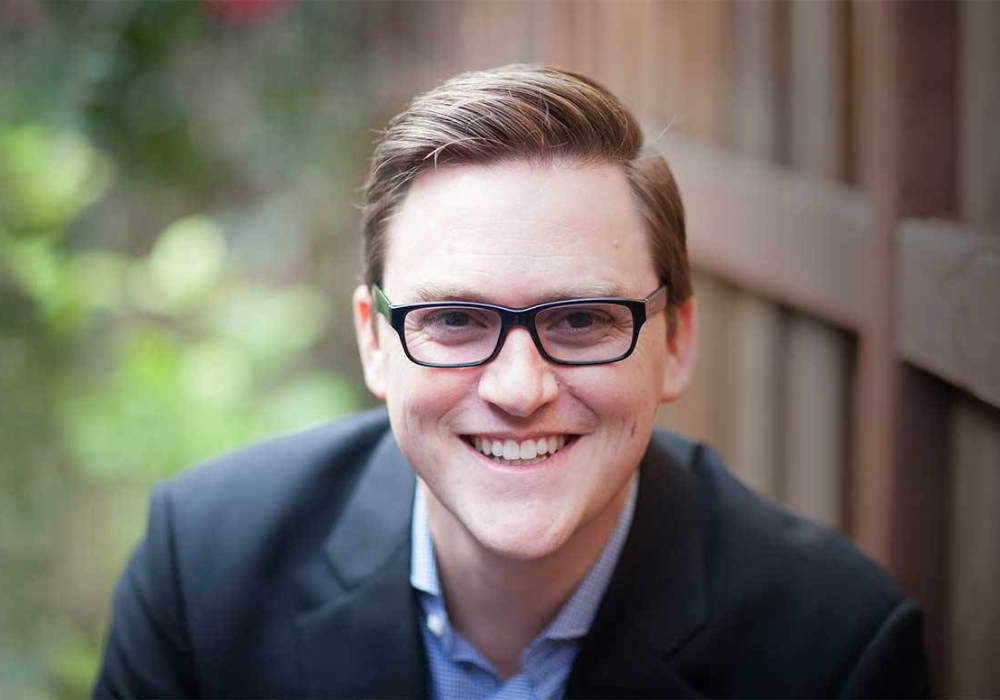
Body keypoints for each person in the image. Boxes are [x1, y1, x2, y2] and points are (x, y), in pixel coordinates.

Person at [92, 65, 929, 699]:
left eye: (581, 320)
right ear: (376, 344)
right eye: (454, 321)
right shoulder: (203, 570)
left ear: (674, 341)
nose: (519, 388)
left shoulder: (835, 650)